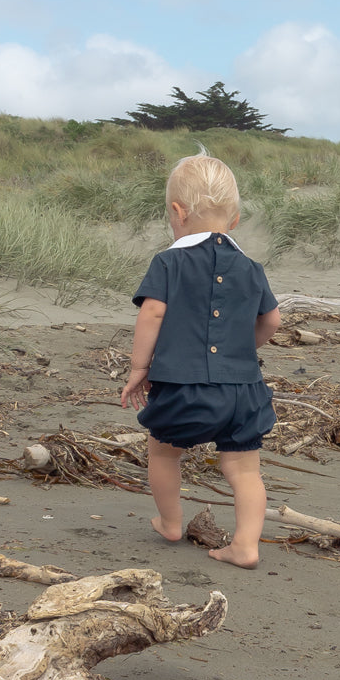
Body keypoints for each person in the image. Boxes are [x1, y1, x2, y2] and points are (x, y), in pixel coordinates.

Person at [120, 152, 281, 568]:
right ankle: (245, 545)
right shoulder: (251, 267)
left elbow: (152, 312)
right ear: (235, 219)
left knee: (163, 453)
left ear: (178, 211)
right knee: (245, 471)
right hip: (244, 390)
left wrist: (140, 368)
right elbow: (272, 321)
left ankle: (170, 522)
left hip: (182, 387)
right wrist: (243, 352)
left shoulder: (169, 261)